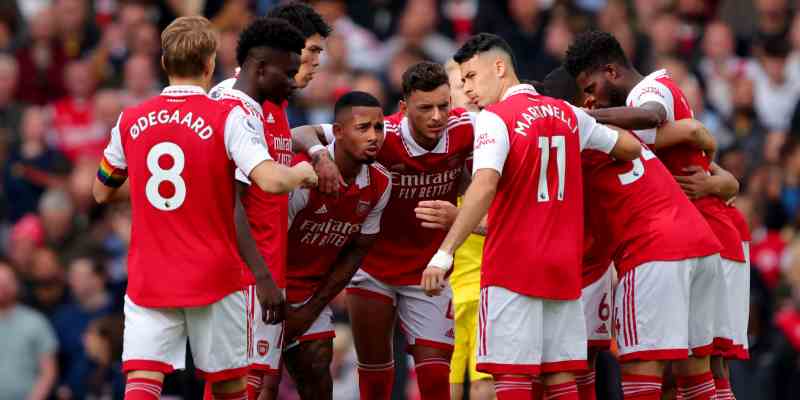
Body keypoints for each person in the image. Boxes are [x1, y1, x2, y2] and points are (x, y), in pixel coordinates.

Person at [91, 16, 316, 400]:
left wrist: (149, 190)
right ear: (211, 64)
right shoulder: (226, 116)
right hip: (214, 277)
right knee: (230, 385)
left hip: (151, 273)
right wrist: (304, 174)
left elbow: (101, 192)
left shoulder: (130, 119)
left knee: (142, 382)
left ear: (164, 63)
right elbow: (271, 180)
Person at [424, 33, 641, 400]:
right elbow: (630, 147)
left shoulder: (496, 118)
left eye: (472, 77)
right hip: (563, 270)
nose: (469, 89)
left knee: (512, 379)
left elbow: (484, 185)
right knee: (560, 378)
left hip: (514, 270)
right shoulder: (568, 113)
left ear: (499, 67)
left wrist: (443, 253)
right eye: (463, 82)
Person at [565, 30, 747, 399]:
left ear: (611, 71)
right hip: (706, 235)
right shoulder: (633, 120)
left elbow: (656, 117)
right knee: (703, 371)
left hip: (681, 238)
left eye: (591, 87)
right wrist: (723, 179)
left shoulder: (648, 92)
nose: (591, 99)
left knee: (664, 366)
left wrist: (583, 118)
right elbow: (695, 134)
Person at [292, 61, 476, 400]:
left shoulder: (467, 129)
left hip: (427, 273)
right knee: (376, 377)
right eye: (425, 108)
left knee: (436, 377)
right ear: (404, 108)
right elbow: (301, 134)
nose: (437, 116)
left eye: (444, 105)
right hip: (374, 268)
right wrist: (320, 156)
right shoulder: (379, 134)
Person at [208, 4, 332, 398]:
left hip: (267, 264)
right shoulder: (234, 103)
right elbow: (227, 198)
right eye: (308, 52)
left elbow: (289, 138)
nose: (311, 64)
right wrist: (259, 275)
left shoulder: (272, 103)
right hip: (243, 270)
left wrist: (316, 151)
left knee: (263, 381)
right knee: (241, 383)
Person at [283, 91, 390, 399]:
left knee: (318, 367)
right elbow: (268, 244)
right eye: (363, 128)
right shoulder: (302, 175)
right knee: (262, 383)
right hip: (265, 290)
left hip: (310, 293)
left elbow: (356, 251)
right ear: (338, 132)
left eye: (379, 128)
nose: (374, 137)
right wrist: (276, 302)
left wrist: (310, 309)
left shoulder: (381, 184)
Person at [416, 59, 495, 400]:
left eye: (467, 84)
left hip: (484, 285)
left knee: (484, 384)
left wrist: (461, 221)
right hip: (440, 290)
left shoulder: (494, 144)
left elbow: (507, 226)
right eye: (457, 88)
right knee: (442, 384)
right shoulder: (427, 149)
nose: (466, 94)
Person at [0, 261, 58, 400]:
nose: (2, 287)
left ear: (17, 285)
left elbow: (49, 371)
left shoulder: (36, 321)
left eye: (7, 282)